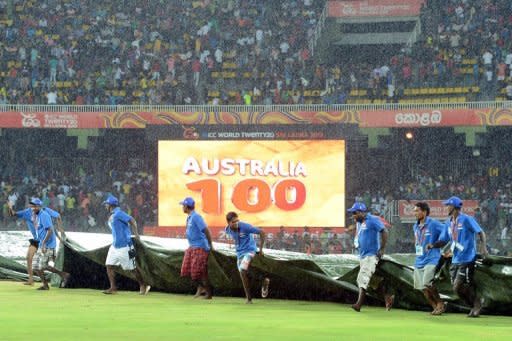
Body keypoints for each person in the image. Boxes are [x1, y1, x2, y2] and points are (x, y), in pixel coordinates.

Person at [443, 196, 488, 317]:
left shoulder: (467, 219)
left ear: (454, 207)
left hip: (467, 258)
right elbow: (452, 239)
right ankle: (474, 305)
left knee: (460, 286)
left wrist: (483, 247)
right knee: (456, 288)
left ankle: (477, 304)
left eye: (448, 205)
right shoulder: (449, 222)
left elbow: (480, 232)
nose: (446, 207)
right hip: (455, 258)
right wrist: (447, 250)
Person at [102, 195, 150, 295]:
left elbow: (132, 220)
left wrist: (136, 234)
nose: (105, 206)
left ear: (111, 205)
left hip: (125, 245)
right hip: (115, 245)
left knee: (132, 268)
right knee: (109, 265)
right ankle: (113, 287)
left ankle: (143, 284)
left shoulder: (119, 213)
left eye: (106, 204)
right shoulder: (113, 214)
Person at [348, 202, 392, 312]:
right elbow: (360, 235)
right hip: (362, 255)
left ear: (362, 212)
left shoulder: (372, 219)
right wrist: (356, 243)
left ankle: (358, 304)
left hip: (371, 255)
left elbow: (384, 231)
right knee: (372, 281)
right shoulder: (359, 222)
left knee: (362, 277)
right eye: (352, 213)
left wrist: (382, 248)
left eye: (354, 213)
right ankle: (388, 296)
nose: (353, 215)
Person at [412, 202, 449, 315]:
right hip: (419, 259)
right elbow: (417, 240)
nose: (415, 213)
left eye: (417, 211)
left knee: (428, 282)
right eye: (414, 211)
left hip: (432, 258)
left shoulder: (433, 224)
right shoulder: (415, 226)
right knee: (422, 288)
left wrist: (438, 245)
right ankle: (435, 307)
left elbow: (447, 233)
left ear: (424, 212)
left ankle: (440, 303)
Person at [225, 211, 270, 303]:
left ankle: (249, 299)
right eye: (233, 222)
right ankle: (264, 281)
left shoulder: (245, 226)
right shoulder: (227, 230)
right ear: (228, 223)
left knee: (242, 270)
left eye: (237, 220)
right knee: (244, 274)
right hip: (239, 254)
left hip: (250, 251)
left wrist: (260, 250)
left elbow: (262, 233)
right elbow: (233, 238)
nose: (236, 223)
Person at [29, 198, 70, 290]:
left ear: (39, 206)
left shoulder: (44, 215)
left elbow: (50, 230)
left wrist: (60, 230)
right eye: (32, 206)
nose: (33, 208)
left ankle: (64, 274)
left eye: (35, 206)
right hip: (42, 243)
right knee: (36, 266)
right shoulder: (37, 215)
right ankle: (46, 285)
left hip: (48, 244)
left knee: (43, 265)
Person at [179, 197, 213, 299]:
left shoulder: (196, 217)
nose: (182, 208)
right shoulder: (189, 217)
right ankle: (201, 287)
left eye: (183, 206)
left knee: (199, 272)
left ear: (186, 206)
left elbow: (206, 230)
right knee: (186, 270)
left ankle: (208, 293)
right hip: (192, 246)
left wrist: (210, 245)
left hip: (200, 247)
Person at [8, 197, 43, 285]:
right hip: (36, 240)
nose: (33, 206)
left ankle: (61, 274)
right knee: (28, 258)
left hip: (44, 239)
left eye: (35, 205)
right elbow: (13, 214)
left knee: (47, 262)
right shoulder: (27, 212)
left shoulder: (43, 214)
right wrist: (10, 207)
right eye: (32, 204)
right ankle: (31, 280)